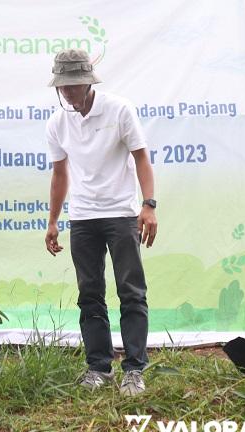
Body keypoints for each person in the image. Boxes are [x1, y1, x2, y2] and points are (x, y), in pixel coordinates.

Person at [44, 49, 157, 395]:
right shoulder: (57, 123)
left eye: (74, 86)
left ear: (88, 82)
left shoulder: (119, 110)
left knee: (131, 291)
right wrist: (53, 221)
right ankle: (98, 367)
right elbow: (60, 173)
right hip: (82, 217)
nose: (68, 93)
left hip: (122, 214)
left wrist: (149, 205)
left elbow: (141, 157)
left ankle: (135, 369)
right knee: (89, 293)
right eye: (63, 88)